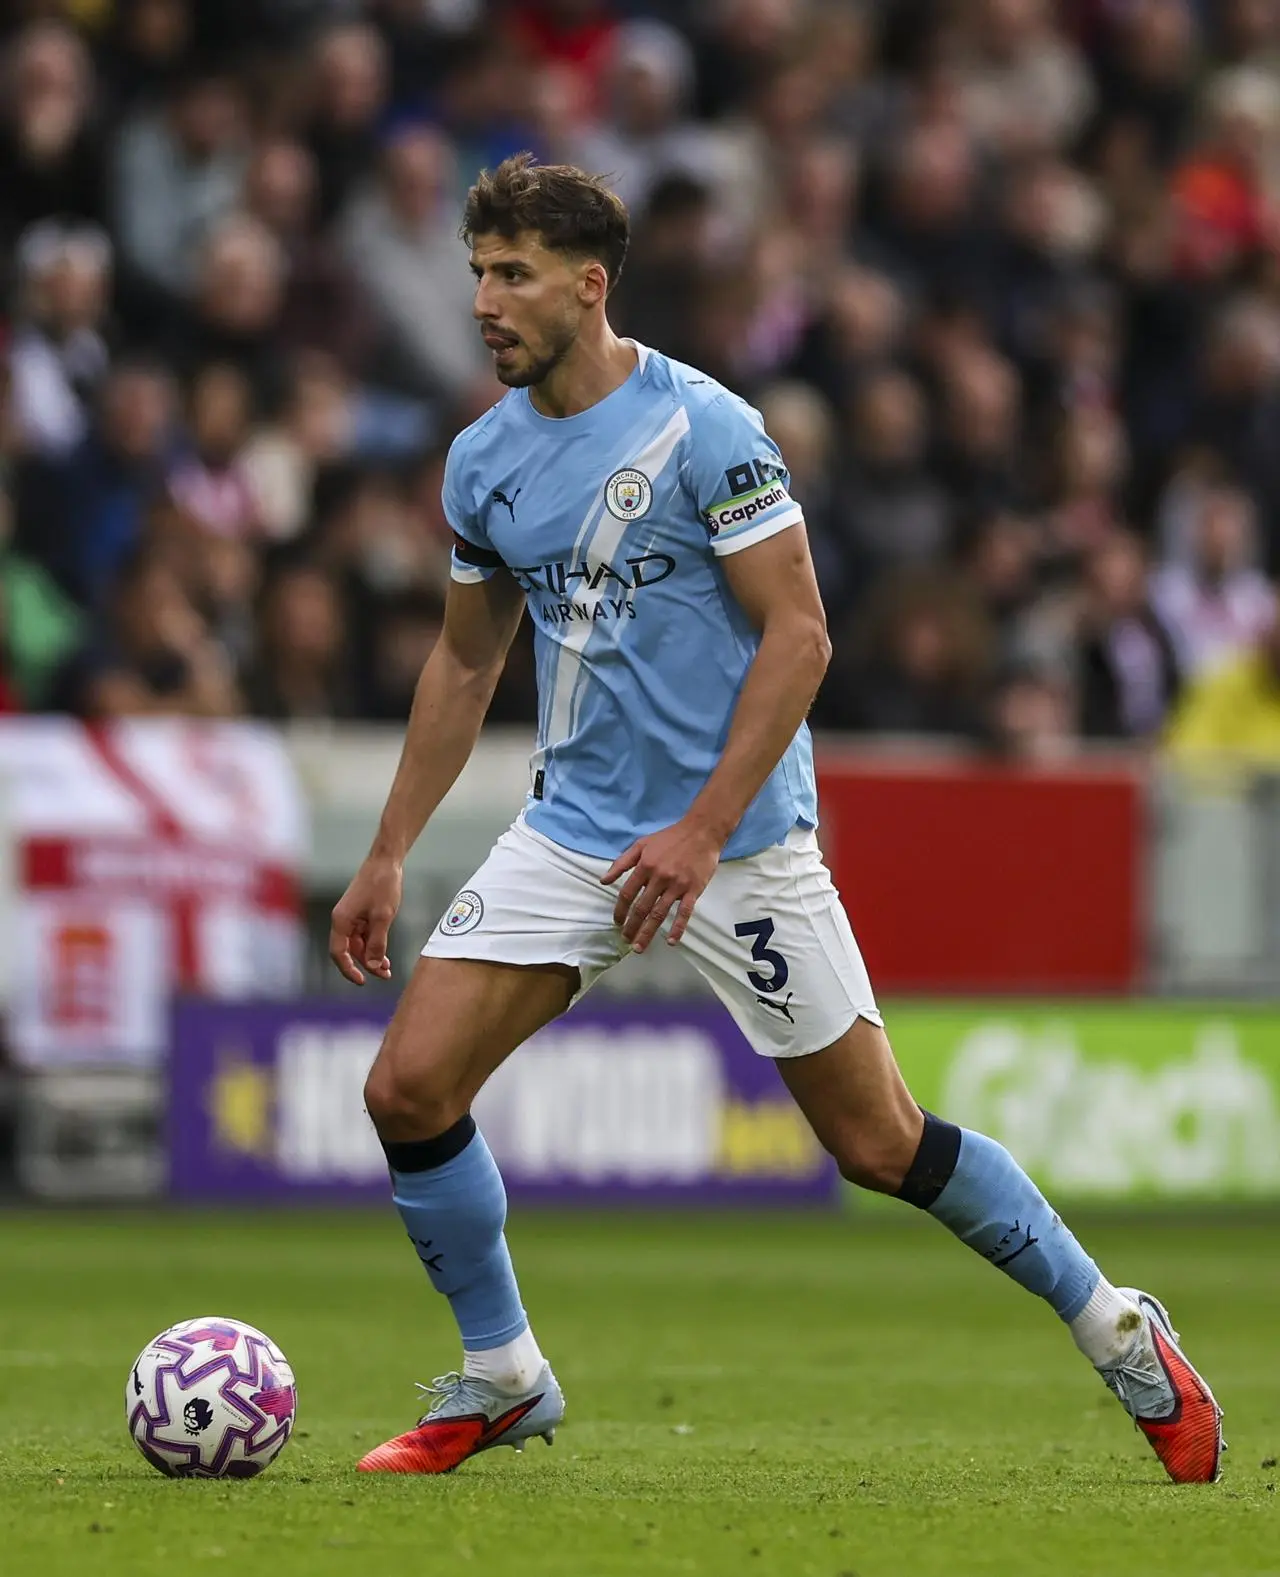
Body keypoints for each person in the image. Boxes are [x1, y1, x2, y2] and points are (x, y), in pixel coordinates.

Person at [329, 154, 1223, 1482]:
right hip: (577, 833)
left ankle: (1118, 1328)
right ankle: (505, 1372)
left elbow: (800, 637)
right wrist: (390, 849)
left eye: (511, 274)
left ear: (589, 284)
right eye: (475, 273)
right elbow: (465, 663)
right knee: (407, 1086)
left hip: (737, 847)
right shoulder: (482, 463)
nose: (485, 302)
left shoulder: (707, 429)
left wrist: (701, 831)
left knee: (880, 1144)